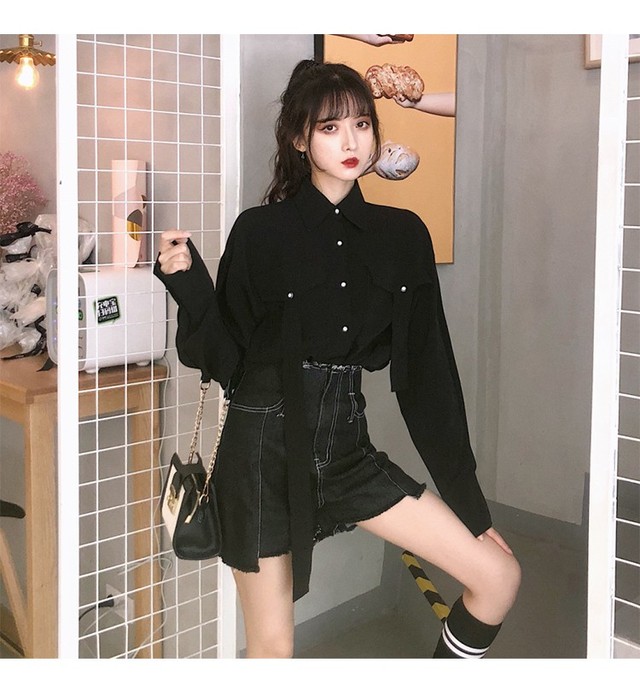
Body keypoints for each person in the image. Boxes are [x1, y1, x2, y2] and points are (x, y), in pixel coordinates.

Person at [155, 59, 521, 659]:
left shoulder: (402, 236)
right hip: (261, 450)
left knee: (498, 577)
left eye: (361, 124)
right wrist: (189, 285)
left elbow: (428, 377)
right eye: (330, 128)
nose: (351, 141)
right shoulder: (260, 231)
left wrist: (469, 504)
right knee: (272, 649)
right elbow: (226, 362)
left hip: (346, 449)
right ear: (300, 140)